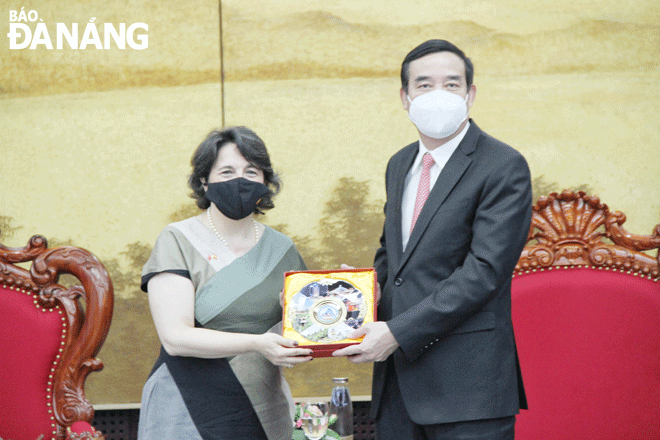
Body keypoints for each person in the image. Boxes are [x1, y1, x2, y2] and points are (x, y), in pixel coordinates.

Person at [334, 40, 532, 439]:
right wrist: (355, 292)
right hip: (397, 388)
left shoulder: (503, 165)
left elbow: (484, 273)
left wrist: (396, 333)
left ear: (470, 95)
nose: (438, 94)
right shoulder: (400, 163)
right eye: (424, 85)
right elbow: (394, 257)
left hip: (468, 388)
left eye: (452, 84)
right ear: (405, 98)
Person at [137, 126, 313, 440]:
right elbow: (175, 338)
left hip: (264, 405)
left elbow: (304, 331)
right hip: (187, 404)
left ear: (265, 181)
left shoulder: (282, 248)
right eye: (227, 171)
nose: (240, 180)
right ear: (204, 181)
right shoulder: (177, 239)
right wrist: (257, 343)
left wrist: (347, 298)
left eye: (251, 171)